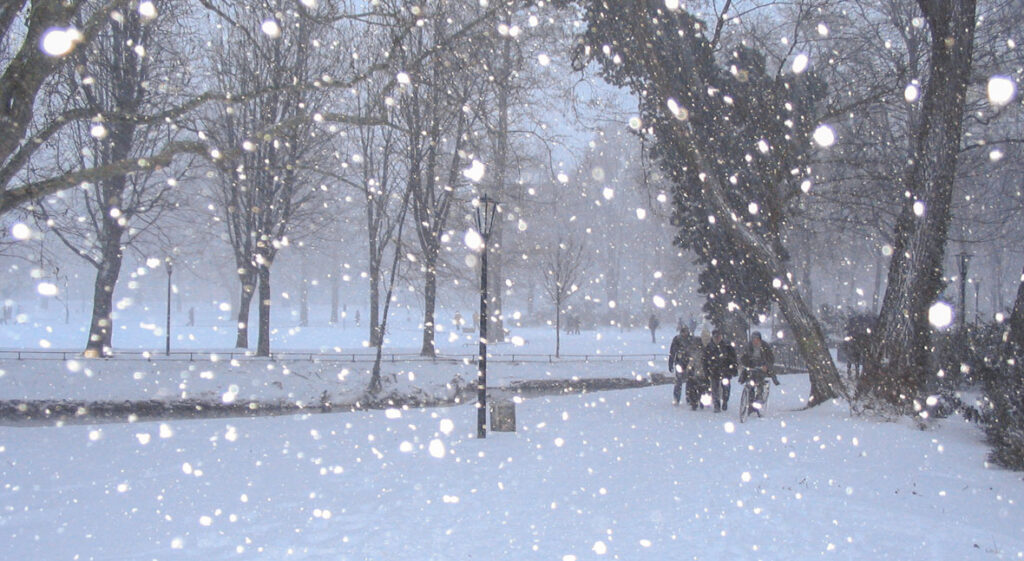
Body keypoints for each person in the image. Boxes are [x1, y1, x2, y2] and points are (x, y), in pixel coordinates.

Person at [739, 331, 781, 416]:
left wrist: (766, 366)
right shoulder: (748, 346)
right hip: (751, 366)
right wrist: (745, 364)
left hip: (761, 367)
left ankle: (759, 397)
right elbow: (743, 357)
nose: (755, 341)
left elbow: (770, 358)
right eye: (753, 339)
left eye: (757, 339)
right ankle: (750, 403)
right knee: (750, 383)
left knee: (759, 381)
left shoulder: (765, 346)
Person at [702, 329, 737, 412]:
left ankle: (725, 401)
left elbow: (733, 358)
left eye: (719, 337)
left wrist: (733, 368)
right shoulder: (709, 347)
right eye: (715, 337)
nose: (717, 339)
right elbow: (705, 360)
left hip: (725, 371)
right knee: (715, 389)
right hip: (714, 371)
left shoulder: (727, 346)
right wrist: (706, 370)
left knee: (726, 387)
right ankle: (716, 405)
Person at [669, 325, 703, 408]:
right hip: (680, 362)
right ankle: (677, 398)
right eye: (683, 332)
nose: (684, 334)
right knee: (679, 381)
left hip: (689, 362)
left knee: (689, 381)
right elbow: (672, 352)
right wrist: (671, 363)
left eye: (686, 332)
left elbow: (697, 349)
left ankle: (689, 398)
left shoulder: (692, 339)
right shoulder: (677, 339)